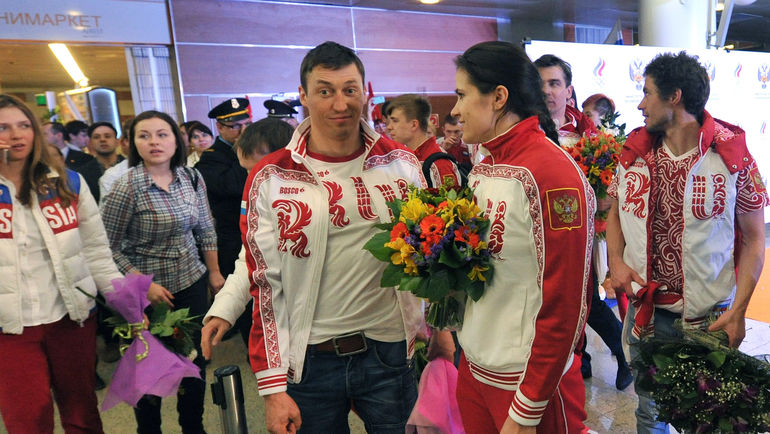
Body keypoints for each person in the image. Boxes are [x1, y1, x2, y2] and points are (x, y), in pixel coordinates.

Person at [205, 41, 425, 433]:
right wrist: (272, 387)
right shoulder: (272, 176)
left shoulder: (400, 165)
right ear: (304, 95)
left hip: (389, 351)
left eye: (350, 90)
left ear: (364, 92)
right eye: (325, 91)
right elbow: (263, 278)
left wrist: (439, 331)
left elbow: (425, 255)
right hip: (309, 358)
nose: (340, 103)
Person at [607, 52, 769, 433]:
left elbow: (754, 238)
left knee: (707, 419)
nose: (641, 104)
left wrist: (740, 310)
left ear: (674, 97)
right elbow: (614, 210)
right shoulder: (634, 151)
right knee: (649, 413)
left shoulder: (732, 155)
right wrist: (615, 260)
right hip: (647, 314)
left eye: (648, 93)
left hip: (709, 319)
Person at [449, 41, 592, 433]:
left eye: (462, 95)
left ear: (498, 97)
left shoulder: (553, 174)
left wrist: (528, 406)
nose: (456, 110)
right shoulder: (485, 164)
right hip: (476, 365)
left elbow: (566, 302)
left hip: (527, 384)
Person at [0, 94, 123, 433]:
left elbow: (96, 251)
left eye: (24, 125)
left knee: (81, 412)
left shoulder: (68, 182)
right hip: (10, 328)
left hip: (71, 317)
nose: (16, 135)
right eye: (3, 127)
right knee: (28, 418)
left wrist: (126, 301)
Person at [100, 110, 225, 434]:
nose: (154, 142)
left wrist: (214, 273)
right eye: (144, 136)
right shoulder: (126, 186)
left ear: (176, 141)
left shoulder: (191, 177)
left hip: (191, 282)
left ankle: (193, 426)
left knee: (194, 362)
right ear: (133, 143)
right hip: (146, 295)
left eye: (162, 134)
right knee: (149, 371)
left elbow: (205, 229)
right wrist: (142, 284)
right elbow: (106, 247)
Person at [200, 117, 295, 353]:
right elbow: (251, 259)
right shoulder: (257, 198)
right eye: (246, 171)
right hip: (279, 319)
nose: (251, 179)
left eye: (258, 170)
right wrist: (224, 310)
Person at [195, 98, 251, 280]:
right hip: (230, 236)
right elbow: (233, 186)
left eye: (248, 124)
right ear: (220, 127)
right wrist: (242, 149)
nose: (244, 131)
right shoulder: (211, 158)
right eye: (236, 126)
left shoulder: (255, 149)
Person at [386, 94, 460, 188]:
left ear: (414, 125)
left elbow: (449, 197)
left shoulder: (439, 164)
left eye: (395, 121)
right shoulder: (405, 157)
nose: (389, 127)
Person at [533, 54, 596, 146]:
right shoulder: (520, 129)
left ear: (569, 91)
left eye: (554, 84)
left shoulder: (586, 132)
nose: (545, 91)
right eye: (539, 84)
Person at [99, 118, 133, 197]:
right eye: (142, 136)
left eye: (160, 135)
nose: (153, 141)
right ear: (125, 142)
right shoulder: (112, 176)